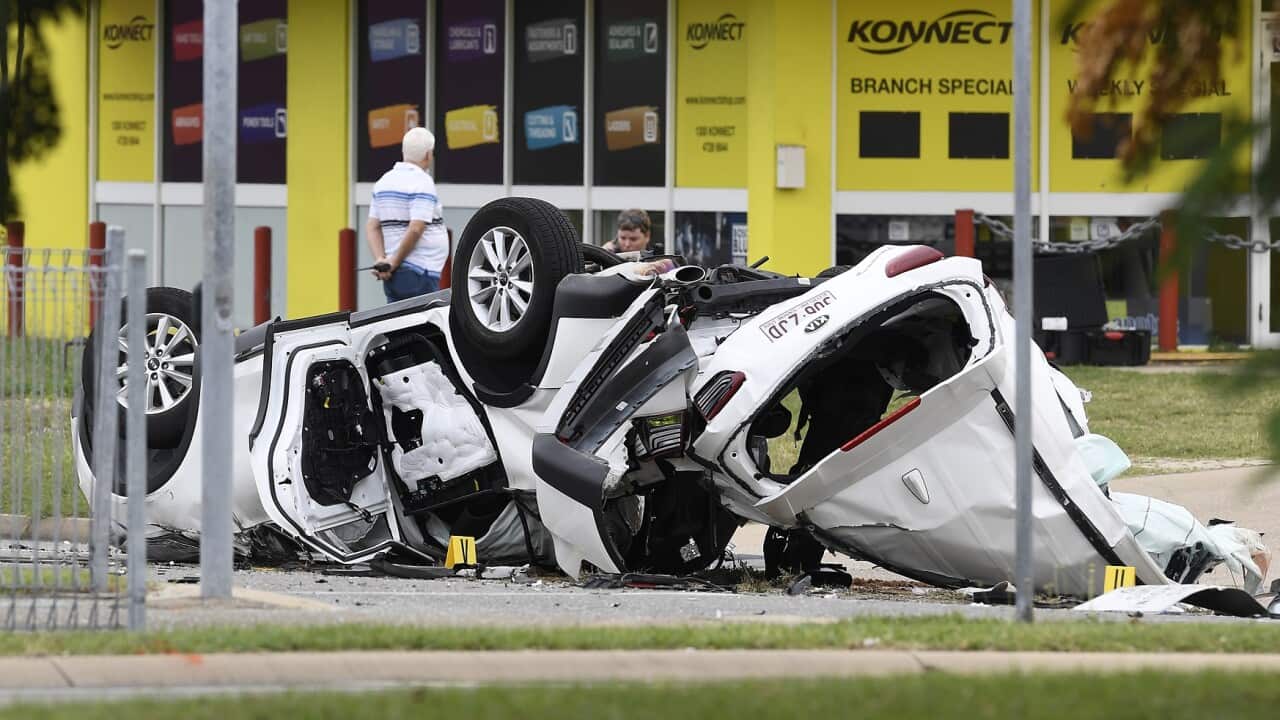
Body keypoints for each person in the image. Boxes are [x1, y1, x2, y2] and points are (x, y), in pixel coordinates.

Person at [366, 127, 449, 302]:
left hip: (393, 274)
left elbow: (372, 227)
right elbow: (416, 228)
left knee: (397, 326)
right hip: (421, 272)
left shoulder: (383, 182)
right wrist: (394, 261)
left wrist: (382, 260)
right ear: (428, 155)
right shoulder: (422, 182)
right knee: (424, 327)